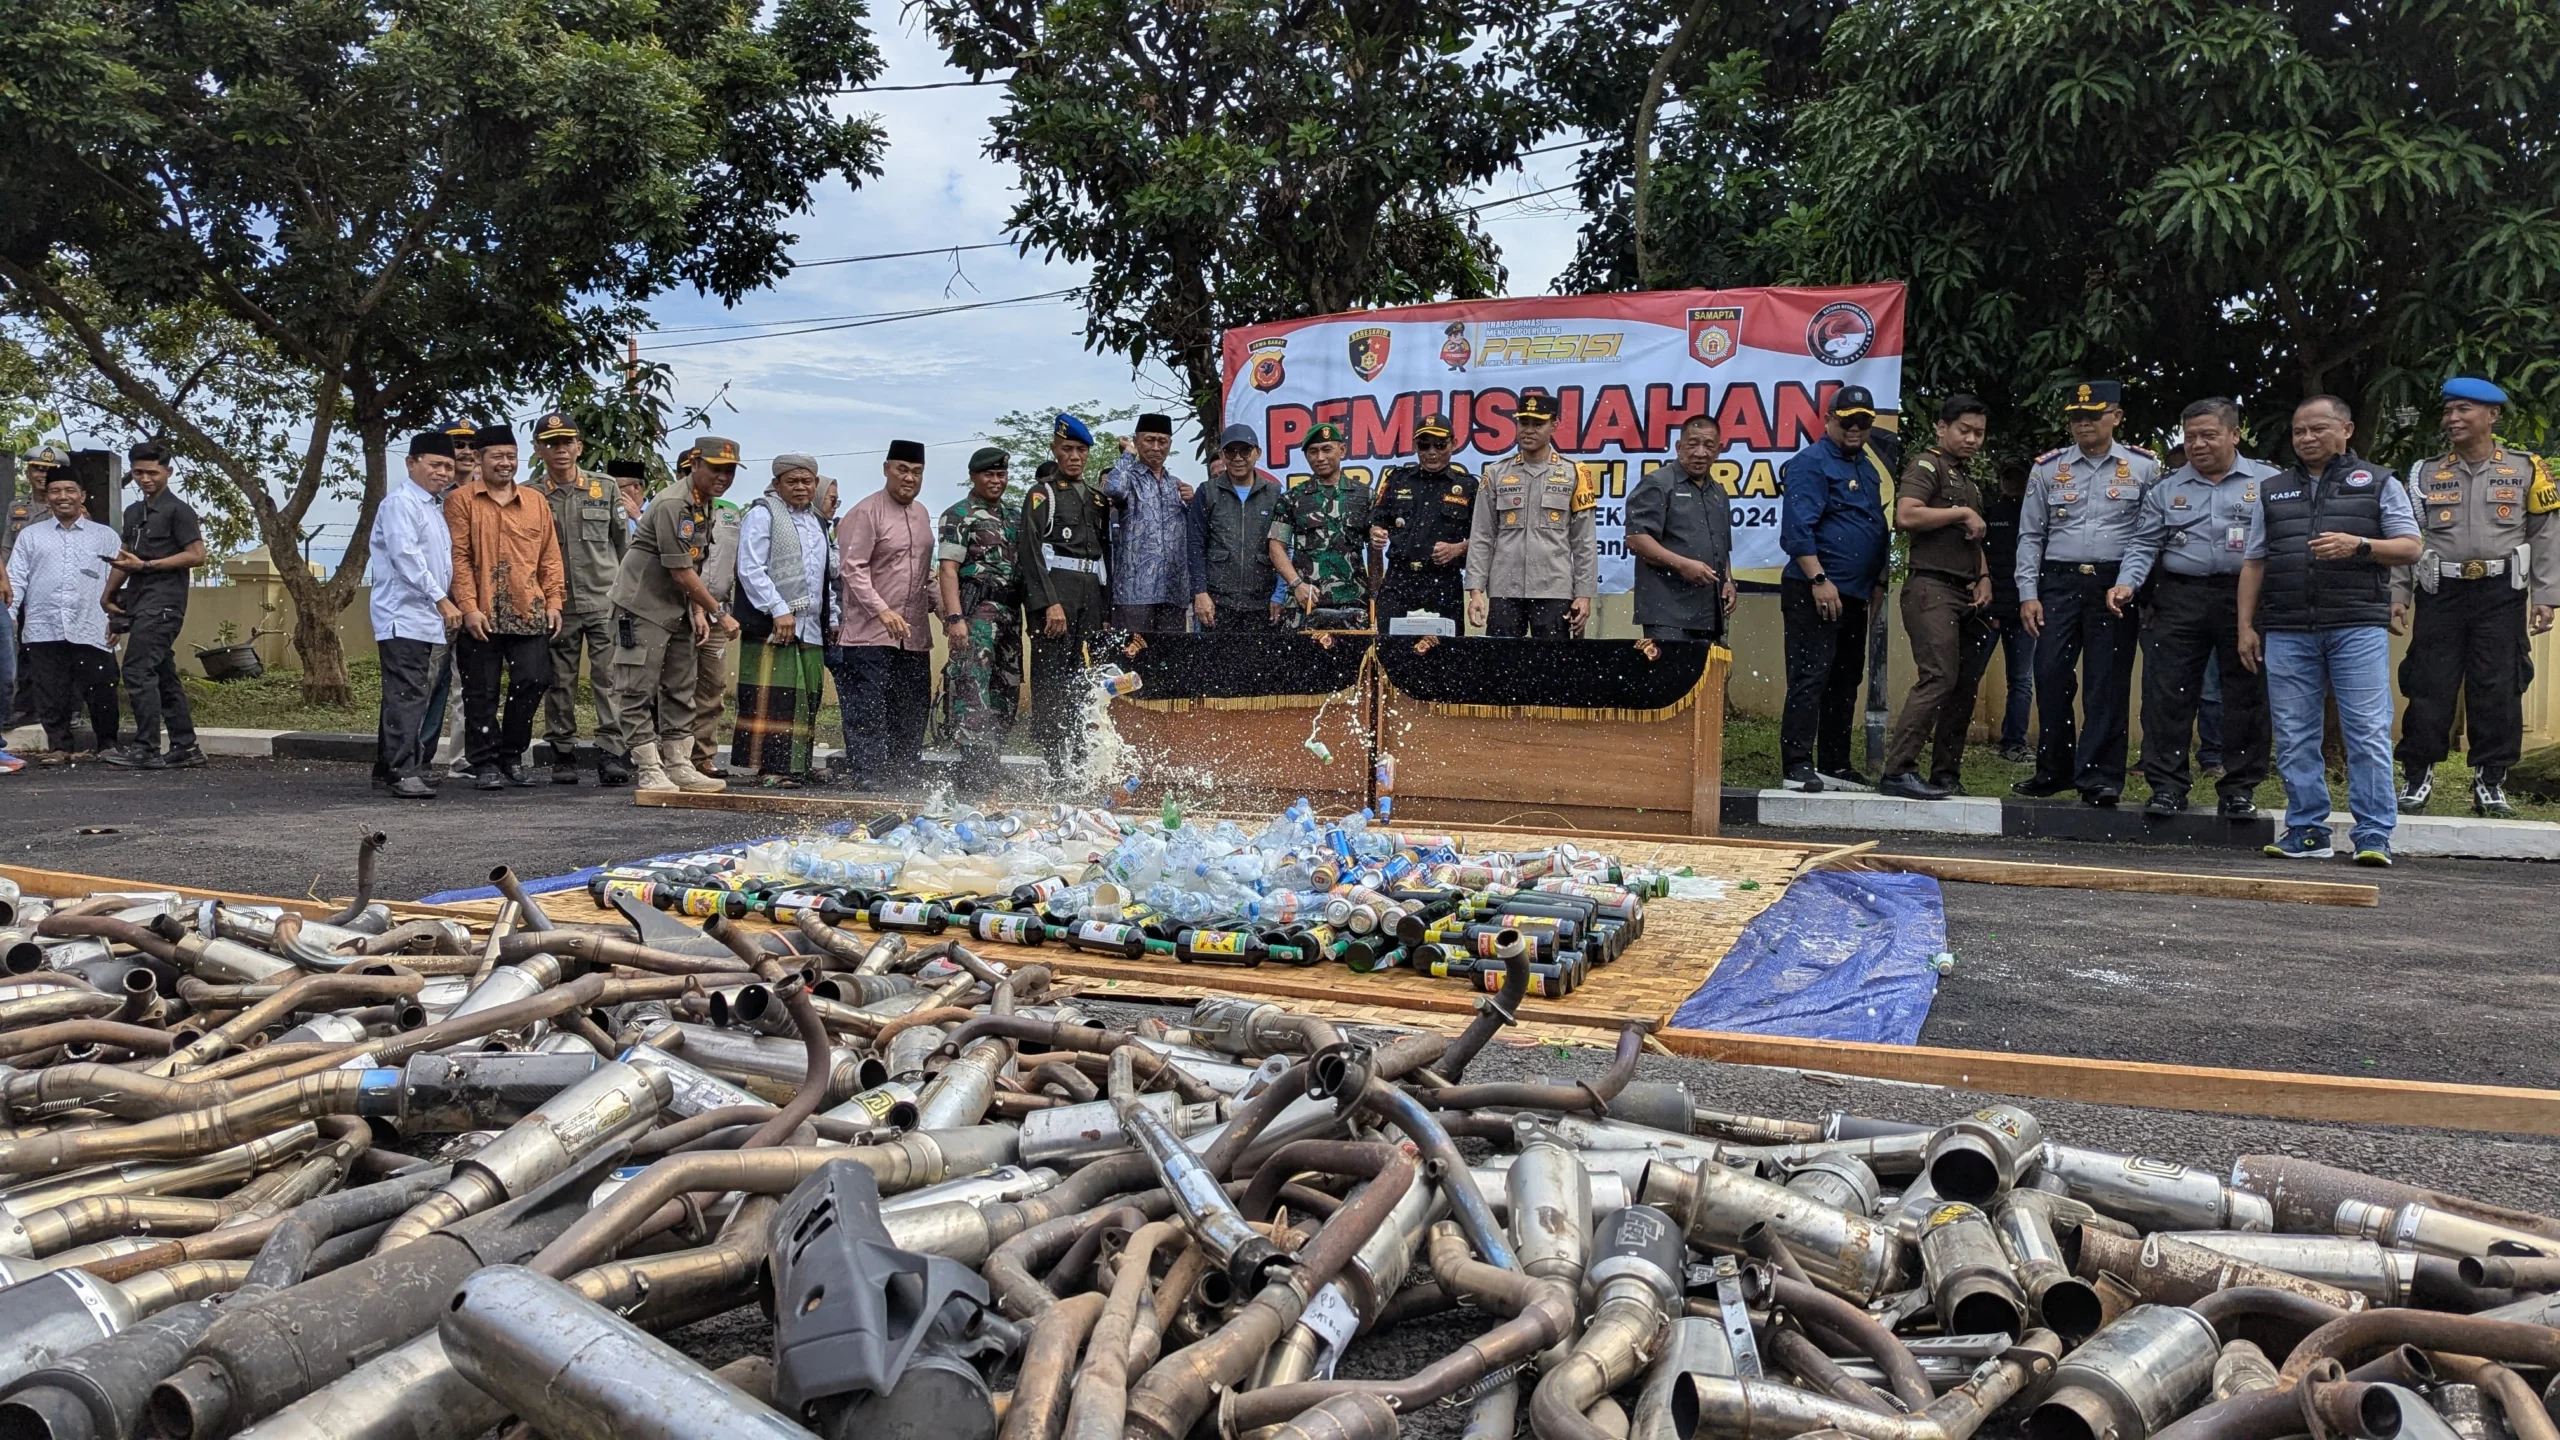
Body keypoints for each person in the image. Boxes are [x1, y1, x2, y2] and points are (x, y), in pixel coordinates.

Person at [2238, 395, 2422, 865]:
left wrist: (2359, 544)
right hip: (2286, 627)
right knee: (2295, 733)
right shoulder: (2273, 489)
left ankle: (2374, 834)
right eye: (2299, 431)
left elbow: (2410, 547)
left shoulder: (2380, 482)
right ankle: (2306, 830)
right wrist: (2245, 626)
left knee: (2367, 731)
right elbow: (2255, 560)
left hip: (2356, 624)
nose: (2306, 438)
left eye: (2318, 429)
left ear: (2346, 430)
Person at [2391, 377, 2559, 817]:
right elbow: (2406, 537)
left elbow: (2545, 535)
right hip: (2440, 590)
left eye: (2463, 410)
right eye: (2448, 411)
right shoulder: (2424, 472)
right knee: (2429, 682)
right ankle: (2417, 776)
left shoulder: (2526, 468)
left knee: (2499, 685)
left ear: (2492, 415)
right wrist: (2398, 594)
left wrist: (2546, 596)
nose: (2452, 419)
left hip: (2501, 592)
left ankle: (2490, 781)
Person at [2108, 398, 2277, 818]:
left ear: (2234, 435)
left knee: (2246, 692)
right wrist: (2127, 583)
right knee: (2168, 692)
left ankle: (2239, 788)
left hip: (2245, 597)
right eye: (2190, 437)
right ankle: (2167, 785)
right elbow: (2144, 542)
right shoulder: (2167, 488)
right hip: (2179, 597)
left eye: (2209, 435)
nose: (2198, 444)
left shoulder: (2270, 482)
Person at [2013, 380, 2161, 807]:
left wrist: (2135, 587)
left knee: (2107, 681)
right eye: (2076, 417)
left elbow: (2149, 537)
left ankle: (2100, 777)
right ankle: (2054, 768)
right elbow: (2030, 535)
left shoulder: (2143, 468)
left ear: (2115, 416)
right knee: (2049, 673)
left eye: (2092, 416)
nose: (2082, 424)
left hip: (2115, 583)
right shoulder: (2048, 468)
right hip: (2057, 582)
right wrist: (2028, 592)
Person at [1774, 386, 1894, 791]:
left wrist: (1877, 582)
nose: (1856, 428)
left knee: (1846, 679)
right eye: (1848, 421)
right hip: (1816, 589)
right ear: (1829, 421)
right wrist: (1819, 579)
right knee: (1811, 675)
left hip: (1857, 593)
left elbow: (1875, 528)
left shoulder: (1868, 468)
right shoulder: (1811, 463)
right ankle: (1796, 764)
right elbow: (1797, 529)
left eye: (1864, 421)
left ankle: (1835, 764)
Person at [1878, 395, 1995, 800]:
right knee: (1938, 676)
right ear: (1942, 428)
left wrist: (1984, 577)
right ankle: (1898, 771)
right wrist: (1961, 512)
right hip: (1931, 588)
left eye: (1979, 433)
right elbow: (1907, 515)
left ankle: (1946, 773)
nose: (1972, 439)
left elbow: (1973, 537)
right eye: (1964, 430)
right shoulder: (1926, 466)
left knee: (1963, 685)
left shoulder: (1967, 478)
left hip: (1966, 591)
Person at [604, 437, 735, 794]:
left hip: (676, 607)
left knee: (681, 685)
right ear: (695, 465)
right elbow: (679, 571)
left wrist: (696, 610)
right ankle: (649, 767)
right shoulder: (674, 503)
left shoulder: (702, 503)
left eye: (729, 470)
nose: (722, 477)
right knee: (636, 687)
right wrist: (718, 613)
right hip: (641, 606)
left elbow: (692, 559)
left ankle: (678, 764)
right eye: (715, 468)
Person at [446, 424, 565, 790]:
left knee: (533, 681)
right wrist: (467, 606)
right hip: (480, 614)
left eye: (511, 456)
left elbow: (549, 556)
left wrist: (555, 600)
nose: (505, 463)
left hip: (528, 609)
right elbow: (458, 557)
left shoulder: (535, 502)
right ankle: (484, 764)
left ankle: (512, 756)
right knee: (480, 691)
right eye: (497, 456)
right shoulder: (460, 501)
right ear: (479, 460)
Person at [529, 413, 628, 785]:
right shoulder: (531, 495)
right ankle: (563, 753)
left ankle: (611, 752)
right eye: (551, 443)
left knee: (610, 678)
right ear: (539, 449)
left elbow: (623, 546)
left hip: (605, 602)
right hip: (558, 606)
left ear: (579, 447)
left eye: (567, 442)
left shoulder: (605, 488)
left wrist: (625, 597)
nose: (560, 450)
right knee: (559, 680)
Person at [835, 439, 936, 789]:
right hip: (869, 634)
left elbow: (925, 571)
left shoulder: (922, 514)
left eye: (917, 472)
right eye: (903, 470)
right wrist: (882, 611)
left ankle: (903, 772)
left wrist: (949, 611)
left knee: (910, 707)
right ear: (886, 469)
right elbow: (852, 568)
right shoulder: (865, 512)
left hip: (913, 635)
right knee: (868, 708)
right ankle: (869, 775)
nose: (909, 478)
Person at [732, 454, 836, 785]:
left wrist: (832, 615)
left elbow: (823, 575)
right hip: (773, 622)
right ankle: (771, 770)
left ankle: (798, 765)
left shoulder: (818, 522)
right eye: (792, 481)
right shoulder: (762, 515)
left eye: (807, 481)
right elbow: (750, 568)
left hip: (810, 624)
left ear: (816, 484)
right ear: (777, 484)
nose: (801, 487)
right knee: (775, 699)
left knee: (806, 695)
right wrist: (779, 608)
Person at [101, 442, 206, 770]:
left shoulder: (179, 511)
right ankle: (186, 747)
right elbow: (125, 556)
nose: (145, 478)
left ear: (168, 473)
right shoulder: (134, 512)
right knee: (160, 671)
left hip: (164, 604)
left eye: (152, 472)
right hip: (140, 601)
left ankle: (146, 748)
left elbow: (197, 555)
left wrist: (148, 566)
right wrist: (107, 594)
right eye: (138, 472)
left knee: (136, 669)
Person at [368, 432, 462, 799]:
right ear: (411, 463)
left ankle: (386, 767)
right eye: (435, 464)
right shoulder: (401, 504)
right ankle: (402, 770)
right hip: (402, 614)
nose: (442, 472)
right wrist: (442, 599)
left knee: (406, 692)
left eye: (448, 467)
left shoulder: (432, 506)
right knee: (407, 694)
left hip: (422, 618)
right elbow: (406, 557)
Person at [1018, 415, 1112, 779]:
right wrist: (1048, 603)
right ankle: (1054, 763)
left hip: (1089, 595)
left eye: (1081, 450)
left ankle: (1079, 759)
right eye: (1067, 449)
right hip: (1057, 595)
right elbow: (1030, 550)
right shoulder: (1043, 494)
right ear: (1055, 450)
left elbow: (1103, 556)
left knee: (1083, 680)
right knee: (1051, 679)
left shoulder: (1096, 499)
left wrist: (1104, 608)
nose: (1075, 456)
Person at [6, 468, 122, 763]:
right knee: (51, 690)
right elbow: (16, 578)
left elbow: (121, 579)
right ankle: (59, 747)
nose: (63, 497)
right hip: (44, 625)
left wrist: (119, 619)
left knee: (101, 687)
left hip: (93, 624)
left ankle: (108, 744)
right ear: (47, 498)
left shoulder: (105, 536)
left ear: (82, 496)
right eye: (55, 492)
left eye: (70, 490)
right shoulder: (31, 536)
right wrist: (9, 615)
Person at [1466, 391, 1596, 638]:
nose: (1529, 430)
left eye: (1538, 423)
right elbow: (1482, 534)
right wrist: (1475, 591)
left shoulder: (1575, 473)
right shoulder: (1496, 473)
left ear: (1554, 425)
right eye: (1524, 422)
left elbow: (1584, 542)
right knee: (1503, 667)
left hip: (1554, 590)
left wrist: (1584, 594)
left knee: (1554, 668)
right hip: (1505, 589)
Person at [939, 447, 1025, 792]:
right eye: (989, 475)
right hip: (976, 613)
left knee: (1007, 684)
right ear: (974, 476)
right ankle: (973, 764)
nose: (996, 481)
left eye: (1001, 475)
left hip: (1008, 614)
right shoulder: (959, 515)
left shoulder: (1015, 516)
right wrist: (955, 617)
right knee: (972, 686)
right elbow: (948, 569)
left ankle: (993, 759)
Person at [1625, 413, 1735, 645]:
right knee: (1670, 679)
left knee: (1711, 680)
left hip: (1710, 614)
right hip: (1668, 613)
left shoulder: (1719, 493)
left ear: (1719, 450)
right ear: (1678, 446)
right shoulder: (1657, 484)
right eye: (1692, 444)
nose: (1700, 453)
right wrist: (1682, 564)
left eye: (1708, 445)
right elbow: (1636, 539)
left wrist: (1728, 581)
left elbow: (1721, 547)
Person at [1368, 413, 1477, 625]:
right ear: (1415, 445)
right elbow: (1377, 518)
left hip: (1443, 581)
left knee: (1446, 653)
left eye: (1439, 445)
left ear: (1453, 444)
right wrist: (1376, 532)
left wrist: (1458, 548)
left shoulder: (1467, 486)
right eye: (1424, 446)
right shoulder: (1398, 479)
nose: (1432, 453)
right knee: (1389, 649)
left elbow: (1483, 538)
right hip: (1398, 580)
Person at [1269, 422, 1375, 629]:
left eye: (1327, 449)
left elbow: (1376, 550)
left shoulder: (1366, 496)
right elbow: (1276, 546)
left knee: (1355, 661)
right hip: (1305, 604)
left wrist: (1375, 594)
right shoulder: (1292, 498)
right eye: (1313, 452)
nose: (1320, 458)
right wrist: (1296, 584)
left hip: (1353, 602)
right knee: (1301, 661)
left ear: (1342, 450)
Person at [1101, 413, 1193, 632]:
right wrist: (1127, 455)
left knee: (1169, 662)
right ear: (1137, 440)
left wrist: (1192, 502)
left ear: (1170, 445)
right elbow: (1111, 489)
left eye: (1162, 441)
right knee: (1134, 661)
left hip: (1173, 592)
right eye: (1149, 440)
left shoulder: (1177, 486)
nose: (1155, 447)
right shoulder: (1129, 477)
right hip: (1134, 593)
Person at [1188, 424, 1282, 632]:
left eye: (1245, 450)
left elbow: (1284, 547)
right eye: (1230, 451)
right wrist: (1200, 593)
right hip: (1217, 603)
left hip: (1261, 603)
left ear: (1258, 453)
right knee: (1214, 664)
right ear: (1222, 455)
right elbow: (1195, 545)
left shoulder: (1274, 494)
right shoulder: (1207, 492)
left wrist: (1280, 594)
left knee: (1261, 665)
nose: (1238, 458)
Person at [687, 467, 742, 779]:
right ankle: (673, 757)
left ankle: (702, 757)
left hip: (719, 612)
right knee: (677, 688)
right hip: (679, 610)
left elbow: (734, 562)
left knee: (712, 688)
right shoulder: (674, 508)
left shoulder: (731, 513)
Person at [1980, 457, 2033, 762]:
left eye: (2018, 477)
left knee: (2022, 681)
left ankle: (2014, 743)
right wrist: (1994, 610)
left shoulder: (2038, 516)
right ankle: (1953, 738)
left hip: (2025, 613)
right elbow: (1985, 565)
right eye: (2007, 477)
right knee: (1969, 675)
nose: (2012, 482)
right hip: (1989, 613)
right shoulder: (1989, 515)